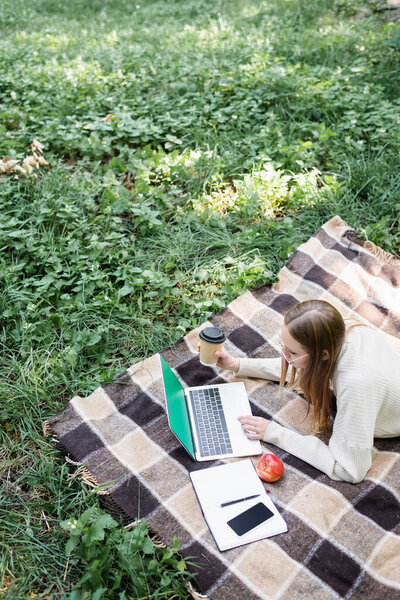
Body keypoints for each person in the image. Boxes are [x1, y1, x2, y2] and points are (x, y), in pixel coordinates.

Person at [213, 300, 400, 483]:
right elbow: (304, 366)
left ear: (323, 354)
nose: (285, 356)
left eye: (292, 353)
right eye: (283, 345)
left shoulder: (355, 384)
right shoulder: (343, 329)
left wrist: (275, 432)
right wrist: (237, 364)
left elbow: (350, 470)